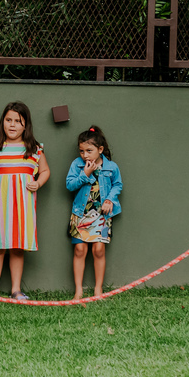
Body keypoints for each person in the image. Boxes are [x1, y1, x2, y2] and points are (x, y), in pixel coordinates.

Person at [0, 101, 50, 303]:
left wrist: (38, 182)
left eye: (18, 121)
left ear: (25, 125)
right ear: (3, 122)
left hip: (22, 205)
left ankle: (16, 290)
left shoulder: (34, 149)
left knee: (17, 248)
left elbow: (45, 171)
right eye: (8, 120)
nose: (12, 125)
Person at [65, 125, 122, 300]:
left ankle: (98, 290)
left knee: (98, 250)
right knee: (79, 250)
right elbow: (70, 185)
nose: (85, 155)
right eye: (81, 151)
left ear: (100, 149)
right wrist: (85, 173)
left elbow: (117, 185)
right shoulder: (77, 164)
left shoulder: (111, 167)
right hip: (81, 213)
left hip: (101, 216)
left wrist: (109, 200)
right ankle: (78, 292)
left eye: (89, 150)